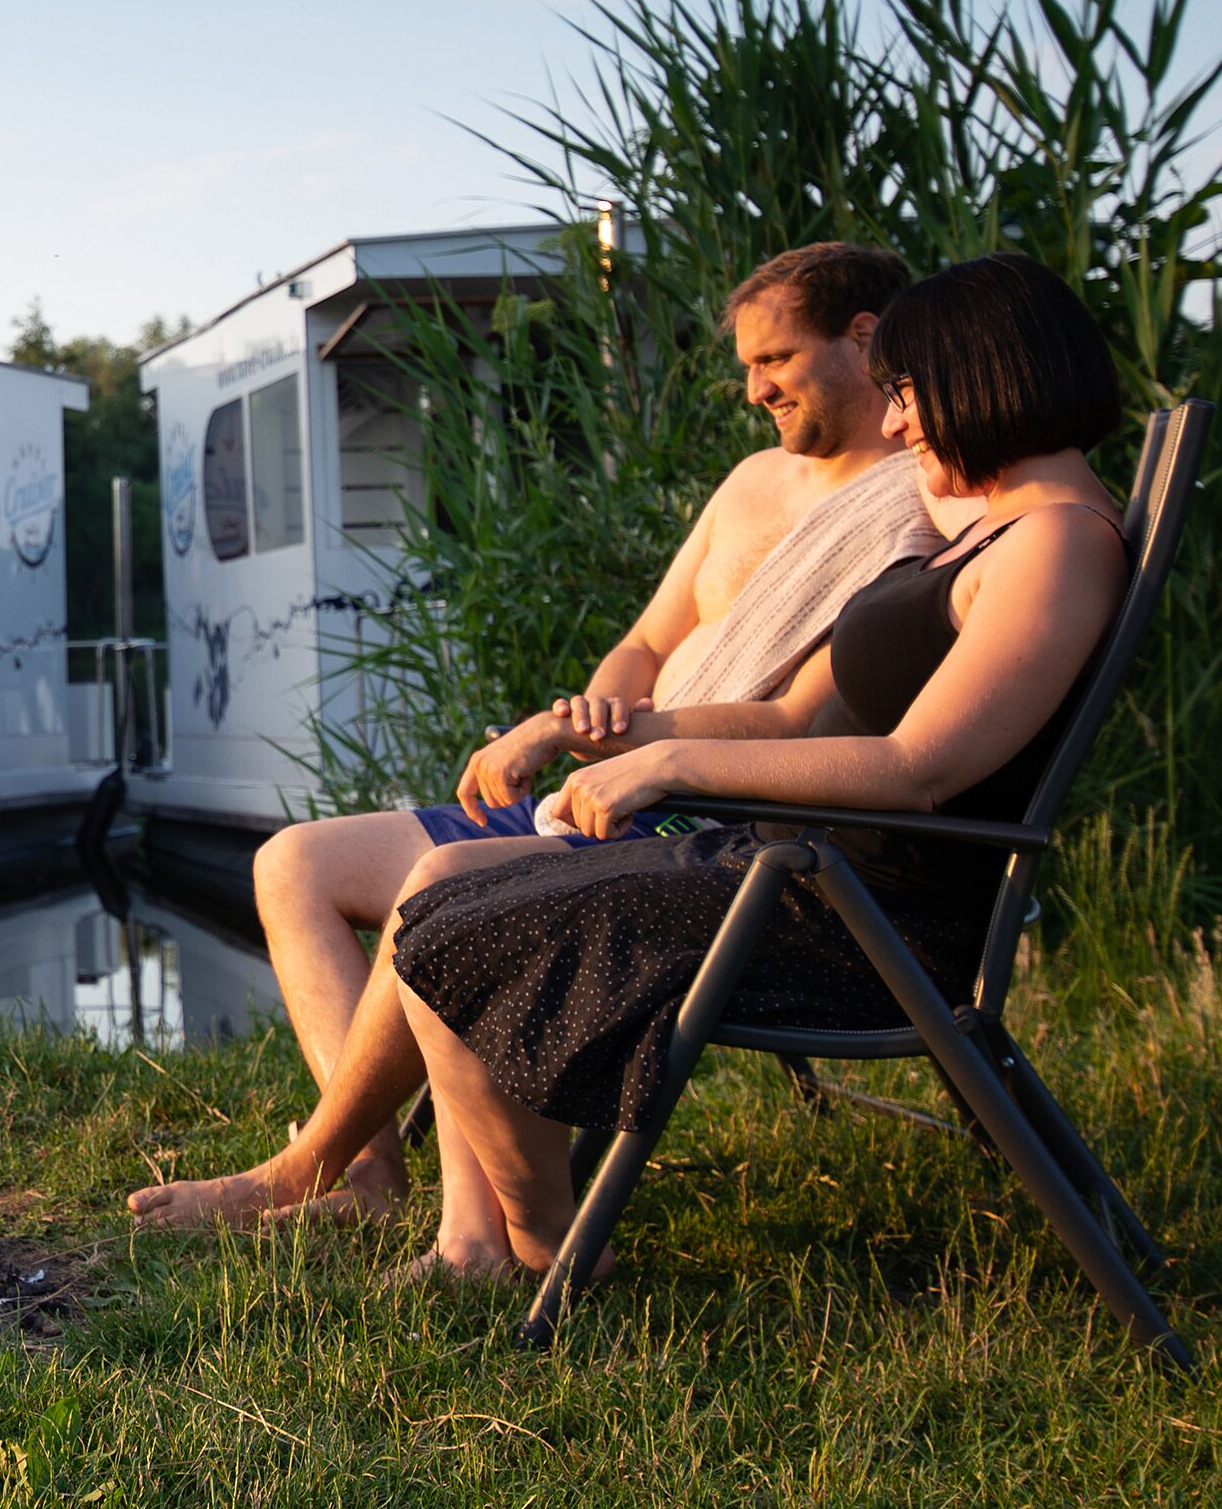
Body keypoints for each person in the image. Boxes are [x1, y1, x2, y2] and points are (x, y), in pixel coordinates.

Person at [137, 241, 933, 1228]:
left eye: (773, 360)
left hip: (684, 812)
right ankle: (369, 1183)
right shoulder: (751, 484)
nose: (753, 388)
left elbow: (801, 719)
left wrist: (626, 748)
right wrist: (590, 715)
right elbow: (644, 641)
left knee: (454, 887)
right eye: (744, 367)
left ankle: (321, 1173)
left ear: (864, 338)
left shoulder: (913, 504)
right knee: (294, 862)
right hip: (612, 769)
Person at [380, 252, 1131, 1282]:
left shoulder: (1056, 546)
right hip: (801, 871)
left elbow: (920, 768)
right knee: (443, 892)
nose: (900, 426)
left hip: (859, 919)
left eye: (909, 397)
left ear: (980, 377)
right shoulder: (1003, 525)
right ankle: (501, 1241)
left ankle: (553, 1250)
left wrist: (669, 761)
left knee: (454, 936)